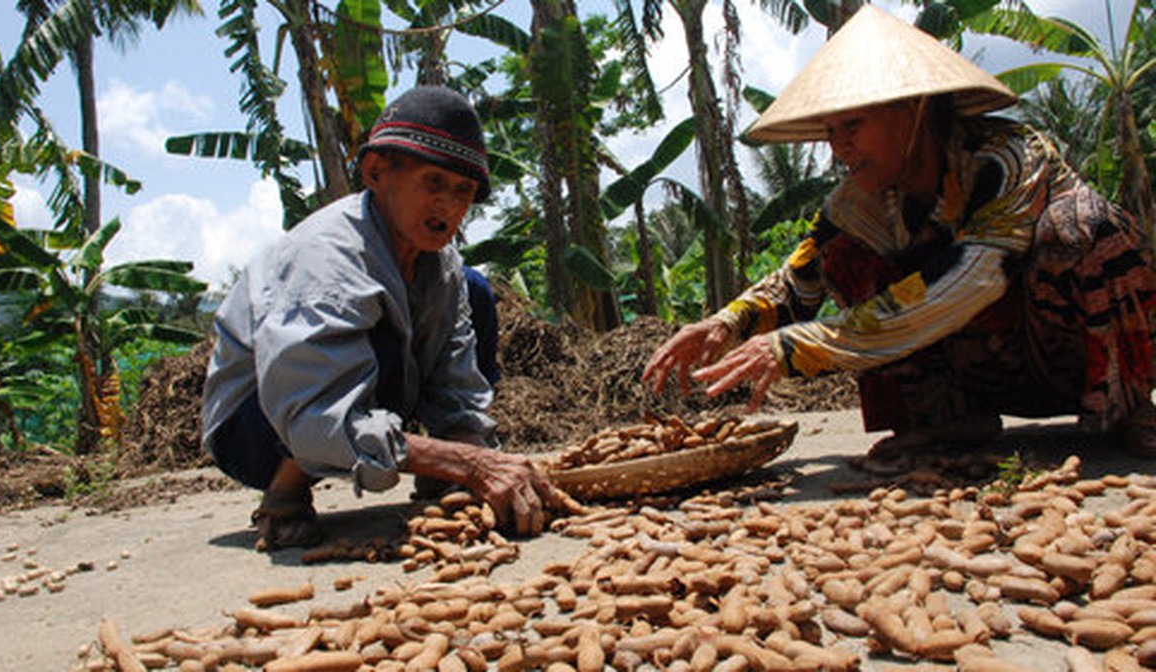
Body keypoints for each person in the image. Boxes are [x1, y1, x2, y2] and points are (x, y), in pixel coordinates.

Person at [644, 5, 1156, 459]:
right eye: (830, 132)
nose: (839, 148)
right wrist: (724, 325)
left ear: (914, 110)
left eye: (853, 125)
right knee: (843, 252)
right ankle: (947, 416)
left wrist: (800, 346)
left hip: (1064, 357)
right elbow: (796, 284)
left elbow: (971, 280)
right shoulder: (857, 205)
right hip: (985, 374)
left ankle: (1129, 404)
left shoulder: (1005, 162)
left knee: (1084, 226)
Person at [201, 86, 564, 551]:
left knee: (473, 287)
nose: (449, 205)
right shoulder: (329, 261)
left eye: (463, 191)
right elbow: (316, 413)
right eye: (433, 182)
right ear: (376, 172)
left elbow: (456, 378)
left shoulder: (441, 267)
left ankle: (440, 477)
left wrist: (469, 453)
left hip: (353, 402)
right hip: (259, 427)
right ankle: (285, 492)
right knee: (382, 326)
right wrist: (471, 464)